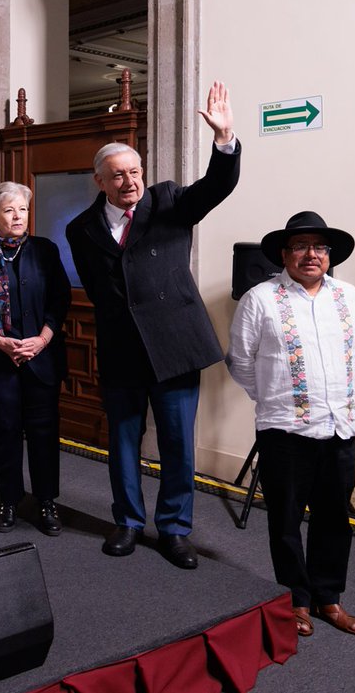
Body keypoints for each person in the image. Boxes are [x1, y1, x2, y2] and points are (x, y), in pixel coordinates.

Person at [65, 81, 240, 569]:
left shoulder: (168, 202)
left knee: (177, 443)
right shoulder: (80, 229)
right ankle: (126, 521)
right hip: (122, 348)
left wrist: (224, 141)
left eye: (136, 171)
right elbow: (99, 288)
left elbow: (216, 187)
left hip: (175, 346)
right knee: (122, 440)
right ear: (100, 181)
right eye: (118, 175)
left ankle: (175, 529)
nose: (130, 182)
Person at [226, 211, 355, 637]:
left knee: (334, 517)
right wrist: (276, 400)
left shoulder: (349, 296)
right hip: (284, 431)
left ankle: (328, 598)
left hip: (339, 427)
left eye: (319, 247)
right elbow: (240, 362)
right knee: (285, 520)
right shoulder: (260, 299)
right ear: (284, 255)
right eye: (301, 246)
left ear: (330, 255)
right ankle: (295, 600)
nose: (311, 254)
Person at [0, 182, 71, 535]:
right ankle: (8, 500)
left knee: (44, 433)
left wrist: (42, 339)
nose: (17, 216)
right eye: (8, 210)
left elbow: (60, 298)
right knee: (5, 432)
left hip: (42, 357)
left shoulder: (45, 251)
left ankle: (46, 502)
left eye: (22, 209)